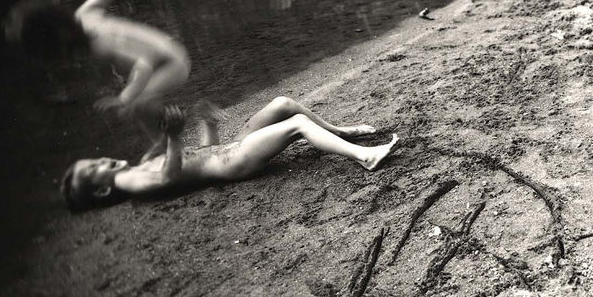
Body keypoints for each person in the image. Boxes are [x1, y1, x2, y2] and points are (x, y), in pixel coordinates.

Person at [61, 96, 398, 213]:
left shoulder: (134, 170)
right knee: (295, 123)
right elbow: (169, 176)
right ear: (103, 189)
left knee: (283, 104)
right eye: (95, 168)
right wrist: (175, 138)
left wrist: (207, 124)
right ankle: (363, 156)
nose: (101, 160)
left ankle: (340, 132)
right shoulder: (129, 180)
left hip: (224, 151)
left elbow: (201, 154)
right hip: (234, 161)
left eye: (93, 159)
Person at [7, 0, 190, 158]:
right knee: (140, 102)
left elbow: (143, 65)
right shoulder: (84, 14)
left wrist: (124, 98)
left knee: (137, 102)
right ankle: (162, 143)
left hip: (172, 65)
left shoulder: (99, 46)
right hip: (167, 47)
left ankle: (169, 146)